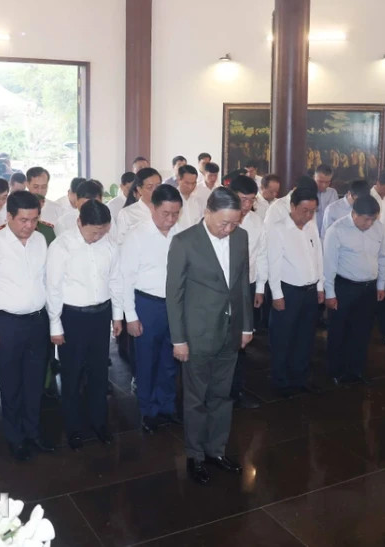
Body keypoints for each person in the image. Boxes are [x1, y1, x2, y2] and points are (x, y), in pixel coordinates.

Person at [167, 187, 252, 485]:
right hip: (197, 334)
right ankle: (195, 456)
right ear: (207, 213)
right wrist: (179, 339)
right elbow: (173, 295)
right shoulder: (184, 242)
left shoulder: (240, 238)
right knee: (195, 399)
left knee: (222, 396)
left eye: (234, 223)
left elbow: (243, 285)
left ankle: (216, 451)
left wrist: (246, 326)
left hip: (230, 333)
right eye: (223, 224)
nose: (228, 229)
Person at [0, 191, 52, 461]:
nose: (29, 226)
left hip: (36, 321)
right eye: (23, 220)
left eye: (34, 219)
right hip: (6, 323)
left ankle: (33, 432)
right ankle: (15, 437)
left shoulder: (41, 240)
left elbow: (45, 280)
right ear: (8, 217)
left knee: (34, 383)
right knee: (10, 384)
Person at [47, 200, 122, 450]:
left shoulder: (109, 244)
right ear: (79, 222)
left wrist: (117, 316)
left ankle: (100, 423)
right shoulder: (62, 246)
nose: (98, 236)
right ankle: (73, 428)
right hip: (72, 317)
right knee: (72, 374)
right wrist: (55, 325)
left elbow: (115, 280)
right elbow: (53, 288)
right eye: (93, 232)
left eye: (103, 231)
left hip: (100, 316)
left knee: (99, 373)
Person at [120, 185, 183, 433]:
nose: (170, 219)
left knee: (170, 360)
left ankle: (167, 406)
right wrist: (131, 316)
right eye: (165, 213)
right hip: (146, 304)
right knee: (147, 361)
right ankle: (148, 410)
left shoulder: (181, 233)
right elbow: (126, 278)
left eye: (175, 213)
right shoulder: (137, 235)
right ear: (153, 208)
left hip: (175, 305)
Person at [323, 196, 385, 385]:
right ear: (354, 213)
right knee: (339, 331)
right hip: (344, 287)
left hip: (369, 288)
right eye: (366, 219)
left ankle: (356, 370)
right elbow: (329, 265)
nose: (369, 224)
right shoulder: (336, 230)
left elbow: (383, 257)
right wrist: (330, 293)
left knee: (362, 331)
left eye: (373, 219)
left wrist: (381, 284)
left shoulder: (379, 228)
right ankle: (336, 371)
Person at [267, 186, 324, 396]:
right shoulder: (278, 228)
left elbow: (318, 255)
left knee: (305, 337)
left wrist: (320, 286)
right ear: (292, 206)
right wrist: (277, 294)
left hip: (309, 291)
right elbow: (273, 263)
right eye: (304, 211)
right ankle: (280, 381)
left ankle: (300, 377)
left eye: (312, 211)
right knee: (283, 338)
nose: (308, 215)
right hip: (288, 292)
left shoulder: (311, 226)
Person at [227, 175, 266, 409]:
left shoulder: (256, 221)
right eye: (242, 199)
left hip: (247, 287)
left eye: (251, 200)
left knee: (242, 342)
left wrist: (259, 288)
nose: (246, 206)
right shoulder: (217, 219)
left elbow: (261, 255)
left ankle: (236, 391)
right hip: (222, 290)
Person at [110, 167, 162, 246]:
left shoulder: (167, 210)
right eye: (149, 187)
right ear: (139, 189)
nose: (155, 191)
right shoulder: (127, 213)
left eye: (158, 186)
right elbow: (120, 244)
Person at [314, 165, 338, 236]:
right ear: (314, 177)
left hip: (327, 235)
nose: (323, 185)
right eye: (320, 181)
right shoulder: (306, 192)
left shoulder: (332, 193)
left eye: (327, 182)